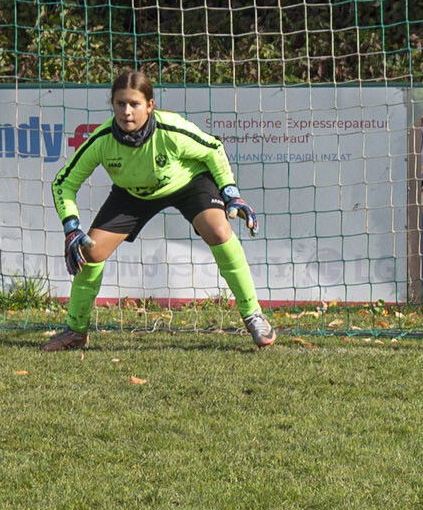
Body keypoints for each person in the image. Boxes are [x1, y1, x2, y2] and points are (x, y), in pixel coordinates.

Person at [43, 68, 274, 351]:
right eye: (120, 103)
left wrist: (230, 193)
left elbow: (213, 149)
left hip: (188, 184)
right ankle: (76, 331)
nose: (127, 111)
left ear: (150, 105)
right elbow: (63, 183)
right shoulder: (101, 140)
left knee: (218, 230)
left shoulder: (171, 129)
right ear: (112, 104)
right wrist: (71, 226)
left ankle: (253, 316)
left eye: (134, 104)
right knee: (90, 252)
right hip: (132, 193)